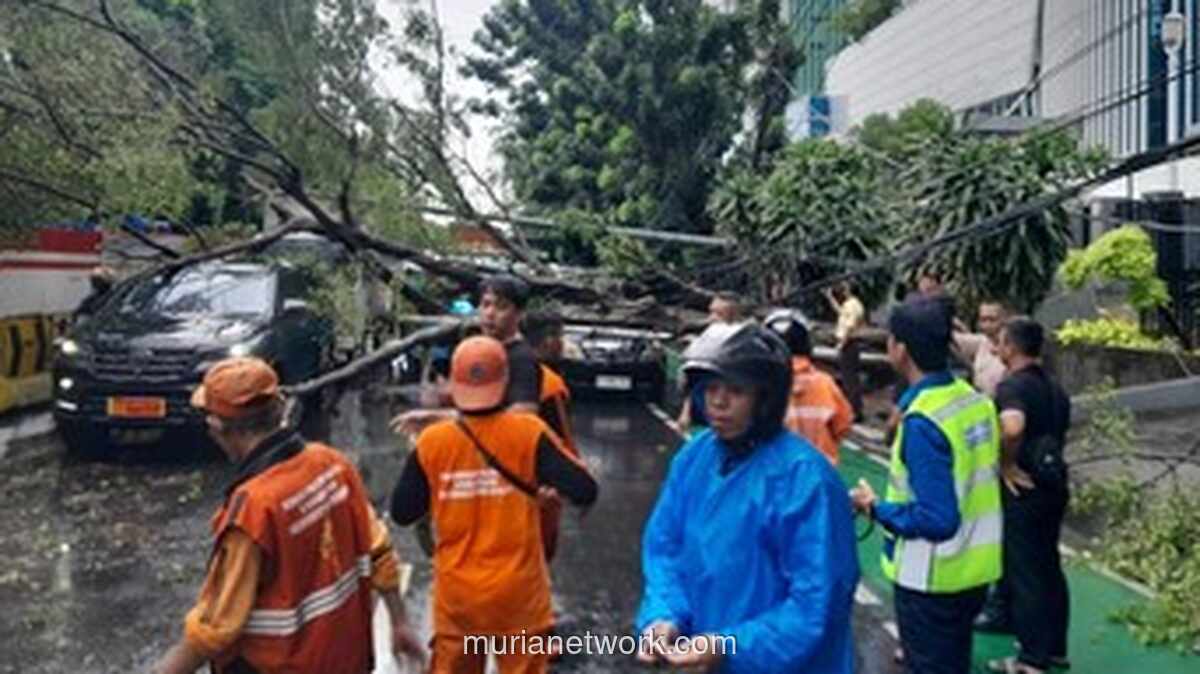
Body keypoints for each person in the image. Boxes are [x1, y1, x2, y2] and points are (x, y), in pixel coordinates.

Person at [152, 357, 423, 674]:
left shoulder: (253, 509)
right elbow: (380, 551)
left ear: (216, 427)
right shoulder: (333, 464)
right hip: (347, 661)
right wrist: (400, 621)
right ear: (281, 409)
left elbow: (215, 628)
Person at [636, 323, 859, 673]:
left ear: (765, 399)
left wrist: (730, 646)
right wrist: (663, 617)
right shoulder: (695, 458)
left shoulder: (805, 480)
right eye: (711, 388)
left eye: (736, 390)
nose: (718, 402)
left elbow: (817, 603)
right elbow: (665, 549)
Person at [390, 336, 598, 674]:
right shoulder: (530, 433)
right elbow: (584, 489)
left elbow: (402, 513)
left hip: (458, 601)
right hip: (518, 598)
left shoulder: (433, 442)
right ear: (505, 381)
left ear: (455, 384)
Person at [850, 299, 1003, 674]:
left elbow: (937, 518)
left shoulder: (923, 422)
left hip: (932, 578)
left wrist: (875, 508)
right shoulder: (976, 402)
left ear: (899, 349)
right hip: (975, 572)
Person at [986, 318, 1072, 674]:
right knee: (1049, 566)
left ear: (1011, 347)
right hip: (1055, 484)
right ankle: (1055, 649)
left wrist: (1006, 463)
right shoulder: (1055, 388)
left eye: (1000, 341)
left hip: (1024, 489)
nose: (997, 348)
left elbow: (1013, 427)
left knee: (1025, 573)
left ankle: (1031, 659)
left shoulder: (1012, 386)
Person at [391, 274, 542, 435]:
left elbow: (523, 418)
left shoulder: (522, 359)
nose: (490, 313)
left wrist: (443, 418)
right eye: (486, 305)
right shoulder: (478, 349)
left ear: (519, 314)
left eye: (501, 307)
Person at [523, 310, 580, 564]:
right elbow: (562, 441)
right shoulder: (551, 385)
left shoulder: (506, 370)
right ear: (548, 341)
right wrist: (577, 484)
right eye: (560, 337)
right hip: (540, 488)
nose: (562, 344)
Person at [765, 309, 853, 465]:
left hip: (773, 472)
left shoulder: (757, 386)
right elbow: (843, 426)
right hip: (820, 473)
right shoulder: (825, 384)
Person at [672, 293, 745, 433]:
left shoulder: (745, 340)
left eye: (718, 314)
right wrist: (686, 413)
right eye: (711, 312)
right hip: (704, 409)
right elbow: (691, 378)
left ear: (733, 314)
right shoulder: (707, 336)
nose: (712, 318)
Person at [825, 281, 865, 420]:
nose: (843, 290)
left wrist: (841, 344)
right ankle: (853, 410)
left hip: (849, 344)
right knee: (849, 378)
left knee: (850, 379)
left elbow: (849, 326)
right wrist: (830, 298)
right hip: (848, 343)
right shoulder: (850, 304)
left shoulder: (853, 305)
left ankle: (855, 411)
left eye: (845, 288)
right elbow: (841, 313)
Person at [953, 300, 1010, 399]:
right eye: (983, 320)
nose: (987, 324)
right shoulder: (982, 342)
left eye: (992, 320)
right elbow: (952, 339)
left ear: (1004, 319)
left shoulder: (1015, 346)